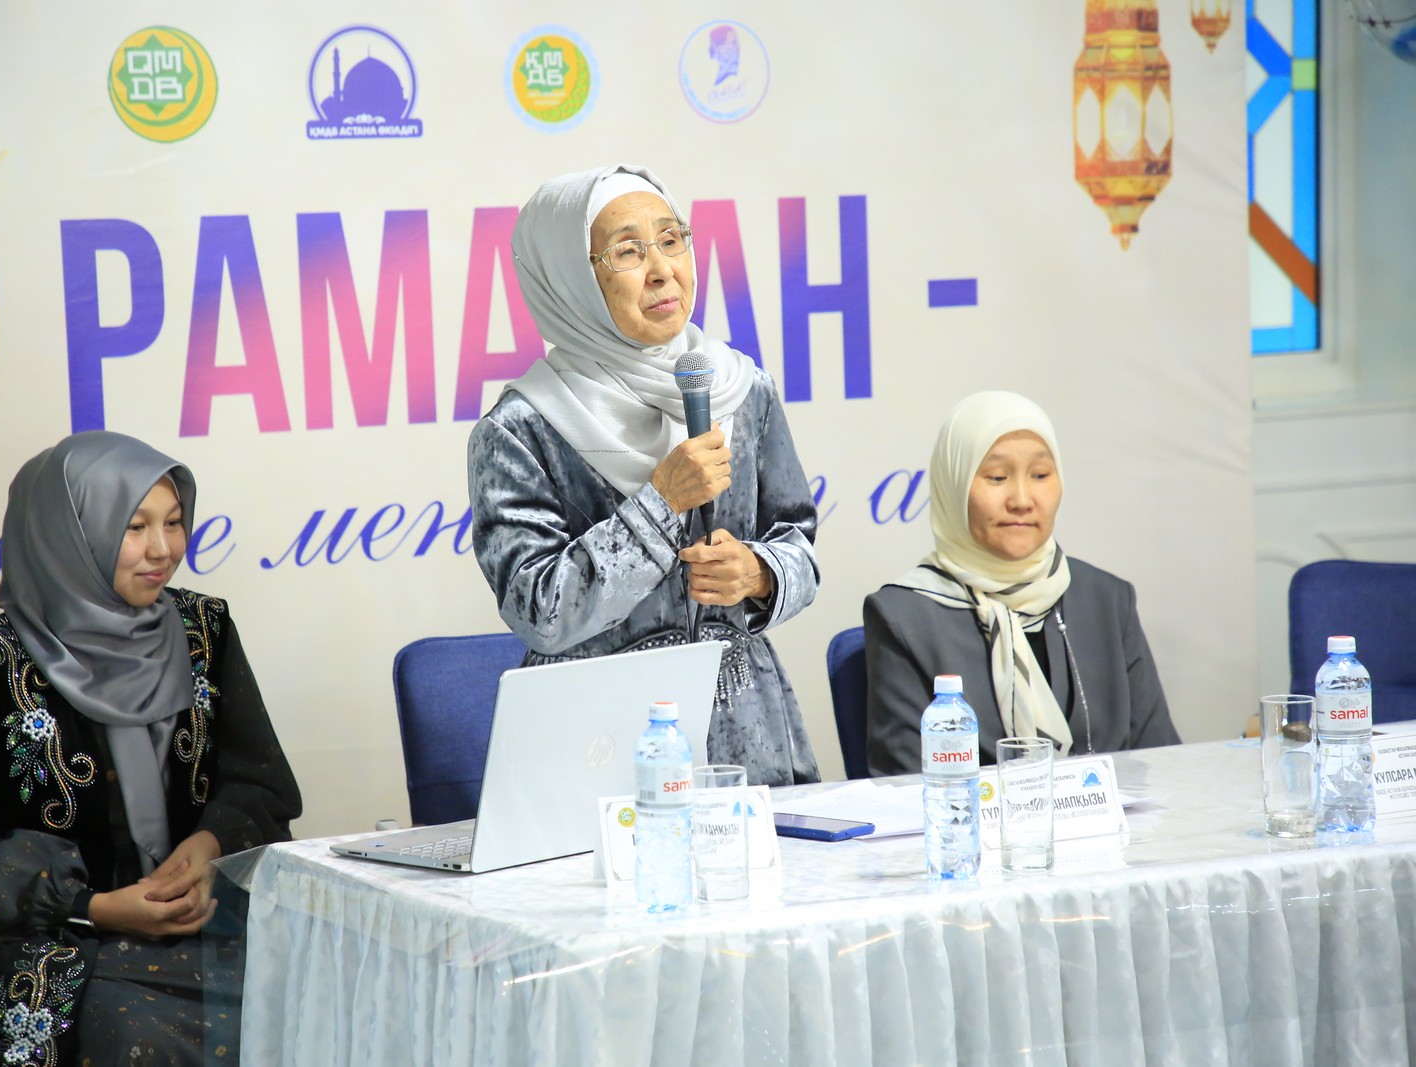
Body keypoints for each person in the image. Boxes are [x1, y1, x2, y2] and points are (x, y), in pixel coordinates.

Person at [0, 431, 301, 1066]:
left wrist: (208, 849)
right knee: (141, 1036)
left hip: (207, 925)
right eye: (134, 527)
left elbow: (260, 783)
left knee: (325, 990)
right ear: (67, 533)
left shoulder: (204, 630)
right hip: (61, 944)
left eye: (173, 522)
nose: (162, 549)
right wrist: (94, 906)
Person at [467, 164, 820, 787]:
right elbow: (540, 611)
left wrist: (759, 574)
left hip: (747, 735)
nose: (662, 270)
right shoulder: (521, 428)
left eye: (671, 239)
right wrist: (661, 503)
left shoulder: (740, 388)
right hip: (598, 748)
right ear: (570, 279)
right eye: (628, 252)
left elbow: (797, 541)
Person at [863, 391, 1179, 775]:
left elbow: (1162, 764)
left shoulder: (1106, 600)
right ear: (954, 486)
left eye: (1040, 475)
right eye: (997, 477)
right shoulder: (906, 617)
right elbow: (909, 786)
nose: (1022, 499)